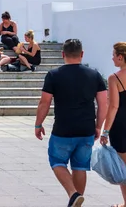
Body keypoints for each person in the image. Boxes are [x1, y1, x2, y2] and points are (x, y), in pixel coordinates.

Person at [34, 39, 107, 207]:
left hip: (63, 128)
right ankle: (76, 201)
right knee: (80, 166)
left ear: (63, 54)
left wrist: (38, 124)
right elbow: (103, 103)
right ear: (82, 54)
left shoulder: (54, 75)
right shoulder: (94, 75)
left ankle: (73, 195)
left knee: (57, 162)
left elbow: (44, 102)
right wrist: (98, 126)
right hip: (86, 128)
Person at [100, 42, 126, 207]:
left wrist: (105, 131)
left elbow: (113, 106)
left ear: (120, 57)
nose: (112, 58)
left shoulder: (114, 77)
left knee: (123, 168)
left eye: (113, 54)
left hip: (121, 126)